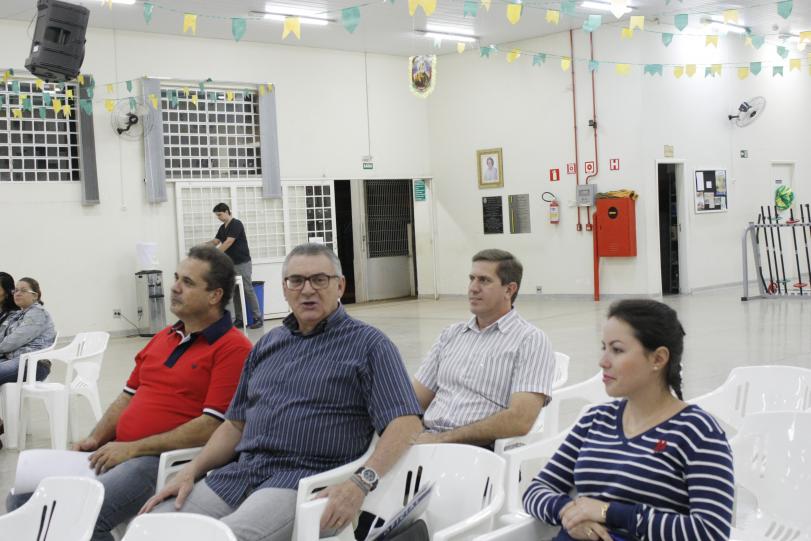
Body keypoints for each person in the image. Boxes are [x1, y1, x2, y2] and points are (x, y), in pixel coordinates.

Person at [142, 242, 423, 541]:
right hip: (240, 475)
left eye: (319, 280)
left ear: (340, 285)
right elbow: (235, 424)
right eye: (296, 281)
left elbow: (406, 422)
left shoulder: (370, 346)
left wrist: (361, 482)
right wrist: (191, 470)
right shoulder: (268, 344)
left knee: (226, 538)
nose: (307, 290)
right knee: (153, 528)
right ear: (285, 289)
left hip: (303, 483)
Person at [6, 246, 252, 541]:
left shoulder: (233, 348)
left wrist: (134, 448)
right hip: (121, 450)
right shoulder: (164, 337)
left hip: (158, 460)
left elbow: (212, 426)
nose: (174, 287)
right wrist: (95, 439)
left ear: (215, 295)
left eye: (187, 282)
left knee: (80, 514)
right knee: (23, 498)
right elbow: (127, 397)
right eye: (176, 278)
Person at [522, 299, 734, 541]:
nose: (603, 361)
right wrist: (570, 514)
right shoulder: (595, 420)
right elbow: (536, 490)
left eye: (617, 350)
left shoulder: (697, 431)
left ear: (658, 359)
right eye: (604, 348)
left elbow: (711, 532)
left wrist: (609, 512)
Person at [412, 249, 555, 447]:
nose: (473, 288)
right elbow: (414, 400)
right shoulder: (451, 335)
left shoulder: (530, 341)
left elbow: (520, 420)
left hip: (479, 450)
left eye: (484, 281)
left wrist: (442, 439)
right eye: (471, 279)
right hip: (427, 441)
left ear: (509, 290)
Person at [209, 203, 263, 329]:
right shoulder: (222, 228)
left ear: (227, 212)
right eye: (217, 216)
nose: (218, 217)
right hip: (231, 264)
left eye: (220, 215)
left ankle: (257, 317)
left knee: (248, 289)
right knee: (236, 292)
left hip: (242, 263)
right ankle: (239, 319)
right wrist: (203, 247)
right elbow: (215, 241)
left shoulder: (236, 224)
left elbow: (228, 242)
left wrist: (215, 254)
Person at [0, 277, 56, 386]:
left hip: (33, 365)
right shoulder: (18, 315)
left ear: (35, 295)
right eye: (16, 290)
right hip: (16, 360)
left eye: (23, 290)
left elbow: (14, 340)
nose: (17, 293)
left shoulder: (37, 313)